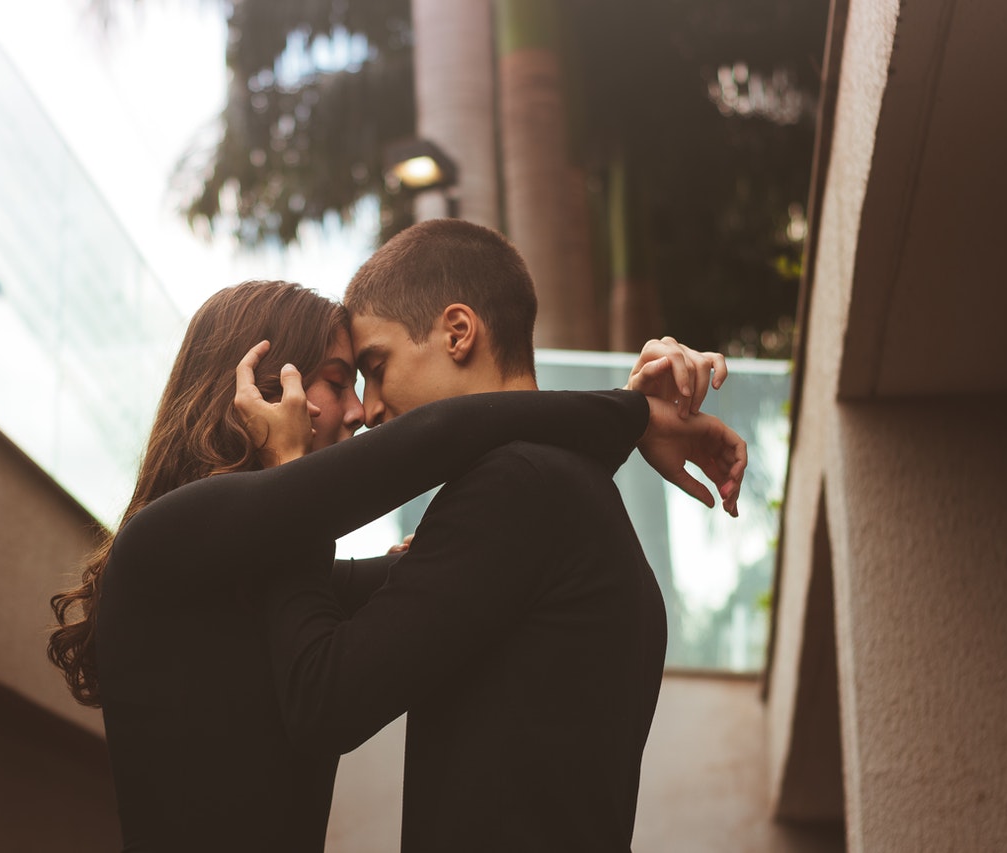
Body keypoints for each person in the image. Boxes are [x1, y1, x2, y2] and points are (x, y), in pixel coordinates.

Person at [47, 279, 744, 852]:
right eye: (336, 380)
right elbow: (439, 439)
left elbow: (488, 560)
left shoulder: (273, 580)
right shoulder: (164, 540)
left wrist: (623, 415)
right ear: (256, 389)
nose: (357, 412)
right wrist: (630, 413)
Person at [253, 218, 738, 852]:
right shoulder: (556, 490)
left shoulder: (516, 488)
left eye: (376, 366)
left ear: (458, 331)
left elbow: (322, 701)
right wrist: (626, 414)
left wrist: (291, 492)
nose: (367, 410)